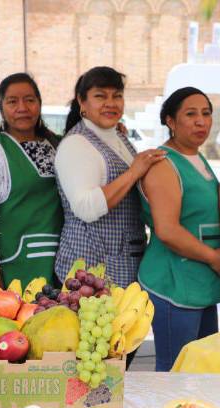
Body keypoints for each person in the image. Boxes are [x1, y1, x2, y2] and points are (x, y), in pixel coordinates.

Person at [137, 87, 220, 371]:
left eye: (206, 113)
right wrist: (214, 258)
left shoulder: (197, 158)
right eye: (191, 114)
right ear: (170, 122)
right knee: (174, 371)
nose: (201, 121)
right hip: (174, 283)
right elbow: (167, 230)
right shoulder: (163, 163)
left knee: (200, 368)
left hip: (201, 282)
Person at [54, 66, 166, 288]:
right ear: (82, 102)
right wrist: (134, 172)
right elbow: (86, 208)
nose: (111, 103)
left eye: (117, 96)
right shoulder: (76, 144)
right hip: (89, 276)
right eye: (100, 96)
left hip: (120, 265)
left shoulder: (116, 135)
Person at [0, 73, 63, 288]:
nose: (22, 107)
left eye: (30, 100)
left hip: (59, 263)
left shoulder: (57, 145)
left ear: (39, 104)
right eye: (12, 101)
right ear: (1, 108)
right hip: (12, 267)